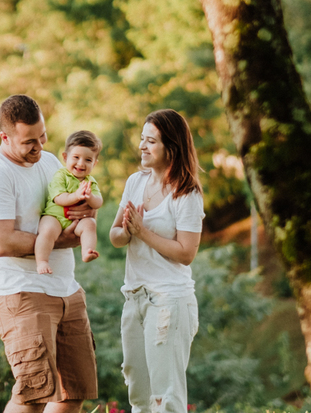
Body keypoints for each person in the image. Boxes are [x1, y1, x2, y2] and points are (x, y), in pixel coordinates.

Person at [0, 94, 99, 412]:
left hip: (66, 288)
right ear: (5, 137)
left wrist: (84, 213)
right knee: (34, 394)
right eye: (29, 141)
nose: (39, 146)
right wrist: (57, 241)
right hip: (22, 292)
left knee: (74, 391)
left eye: (42, 135)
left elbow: (68, 207)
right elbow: (1, 242)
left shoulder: (51, 161)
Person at [109, 109, 204, 413]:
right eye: (142, 139)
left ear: (171, 149)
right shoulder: (135, 182)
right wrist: (126, 230)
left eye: (151, 141)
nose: (142, 146)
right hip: (134, 298)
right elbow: (115, 235)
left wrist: (143, 231)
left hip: (168, 301)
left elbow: (187, 253)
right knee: (139, 395)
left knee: (165, 398)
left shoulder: (186, 194)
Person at [34, 130, 104, 274]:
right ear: (65, 157)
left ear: (95, 163)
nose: (81, 163)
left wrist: (90, 197)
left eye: (88, 160)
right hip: (54, 217)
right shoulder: (61, 175)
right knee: (47, 232)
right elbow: (59, 198)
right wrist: (77, 196)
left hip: (75, 221)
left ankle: (87, 251)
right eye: (76, 157)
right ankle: (42, 261)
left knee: (90, 224)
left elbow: (98, 202)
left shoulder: (90, 181)